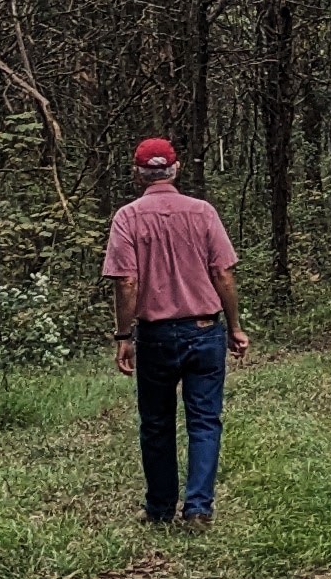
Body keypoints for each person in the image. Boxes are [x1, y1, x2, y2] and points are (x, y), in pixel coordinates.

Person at [104, 135, 248, 529]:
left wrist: (123, 336)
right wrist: (234, 327)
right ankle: (199, 508)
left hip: (155, 336)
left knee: (156, 423)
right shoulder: (202, 213)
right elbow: (223, 272)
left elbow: (126, 283)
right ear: (176, 168)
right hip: (205, 331)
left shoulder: (128, 217)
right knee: (205, 420)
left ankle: (161, 509)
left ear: (138, 173)